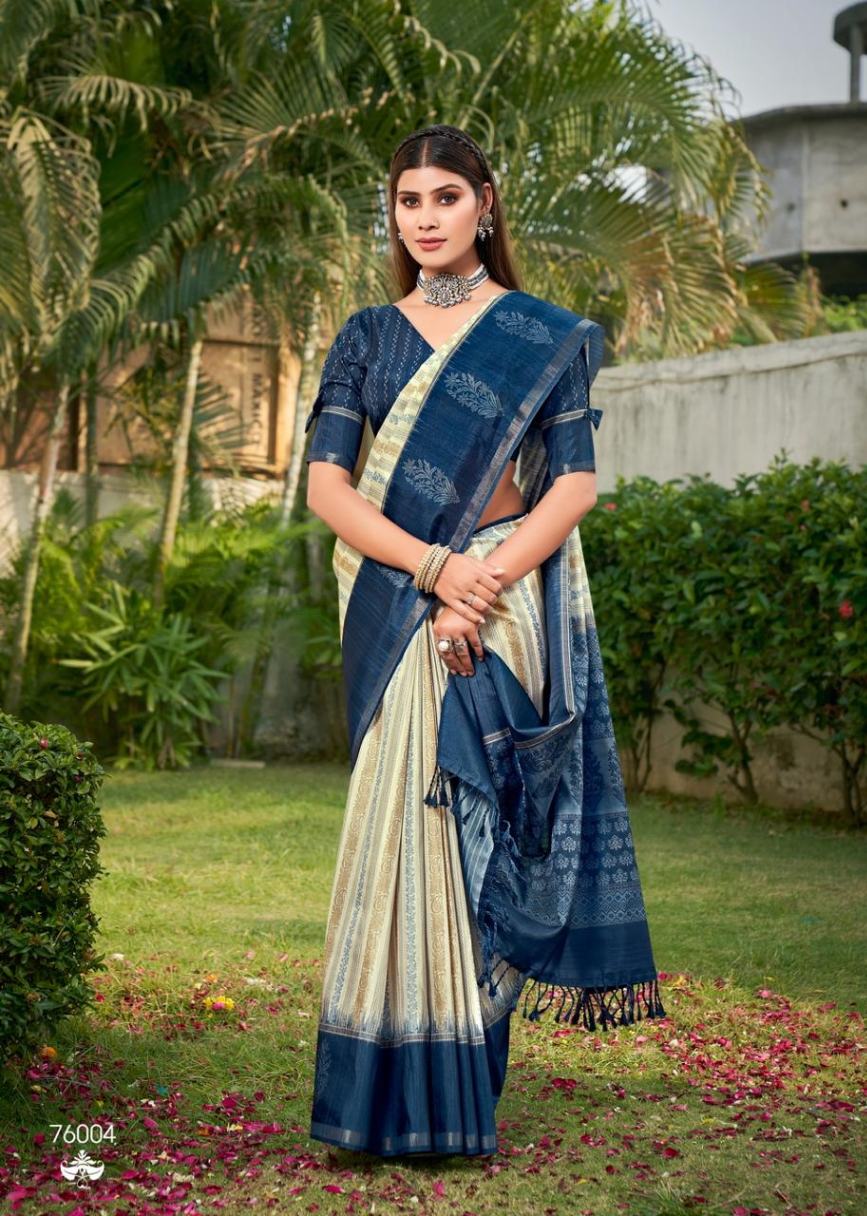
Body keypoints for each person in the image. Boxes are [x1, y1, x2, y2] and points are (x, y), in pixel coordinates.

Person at [304, 124, 666, 1159]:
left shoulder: (542, 334)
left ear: (486, 206)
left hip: (508, 602)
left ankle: (463, 1083)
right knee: (404, 825)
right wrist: (432, 572)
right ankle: (383, 1096)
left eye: (445, 198)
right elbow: (330, 485)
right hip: (402, 601)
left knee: (487, 824)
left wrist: (482, 578)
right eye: (408, 201)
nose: (424, 218)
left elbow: (575, 483)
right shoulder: (368, 336)